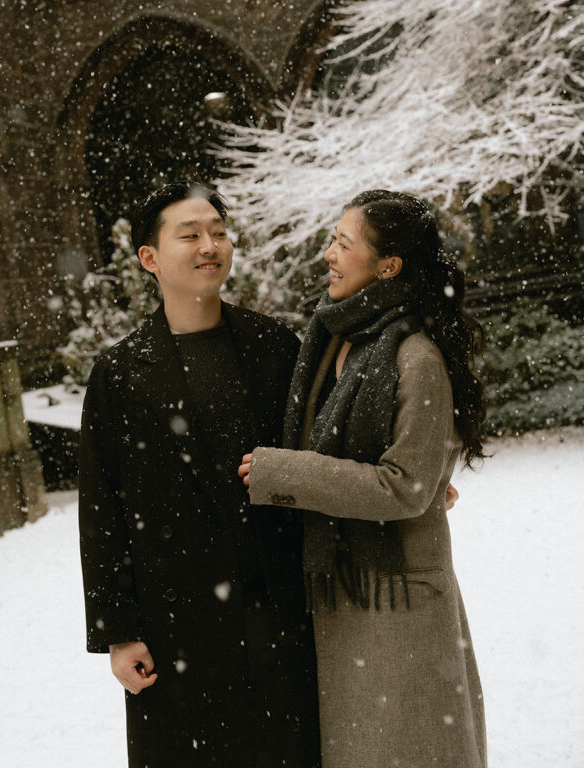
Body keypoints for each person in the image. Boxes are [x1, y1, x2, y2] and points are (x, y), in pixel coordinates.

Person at [239, 189, 487, 768]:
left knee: (414, 750)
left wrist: (284, 472)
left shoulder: (415, 355)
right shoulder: (332, 341)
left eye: (342, 243)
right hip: (340, 590)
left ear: (388, 266)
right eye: (331, 240)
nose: (328, 254)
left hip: (398, 597)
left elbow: (403, 487)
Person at [78, 181, 321, 768]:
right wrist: (117, 631)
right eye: (190, 234)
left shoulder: (274, 346)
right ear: (150, 259)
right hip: (175, 627)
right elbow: (101, 508)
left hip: (281, 613)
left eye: (218, 231)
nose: (210, 244)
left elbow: (321, 452)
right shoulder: (119, 374)